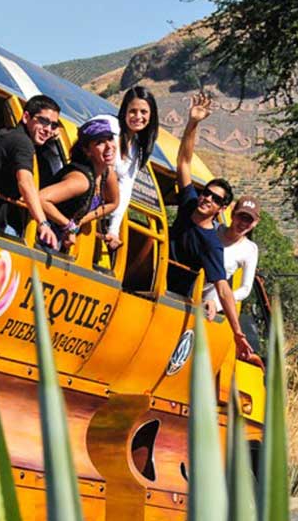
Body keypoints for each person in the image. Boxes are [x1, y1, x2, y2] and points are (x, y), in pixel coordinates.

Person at [167, 94, 255, 360]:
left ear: (221, 209)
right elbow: (184, 162)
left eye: (216, 199)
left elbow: (225, 289)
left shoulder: (211, 242)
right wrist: (193, 123)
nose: (207, 198)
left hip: (171, 296)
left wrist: (237, 332)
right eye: (207, 193)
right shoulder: (188, 204)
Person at [0, 94, 62, 250]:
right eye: (43, 121)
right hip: (3, 225)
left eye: (54, 125)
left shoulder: (5, 134)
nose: (48, 129)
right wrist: (43, 223)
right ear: (26, 117)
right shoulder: (23, 144)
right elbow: (25, 181)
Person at [38, 115, 121, 250]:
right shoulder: (81, 181)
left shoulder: (107, 172)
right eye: (100, 142)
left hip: (59, 240)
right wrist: (69, 226)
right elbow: (41, 199)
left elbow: (114, 202)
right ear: (87, 150)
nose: (109, 146)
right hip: (42, 236)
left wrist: (81, 220)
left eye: (110, 139)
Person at [104, 87, 159, 250]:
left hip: (101, 207)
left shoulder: (136, 149)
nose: (138, 117)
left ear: (151, 116)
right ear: (124, 111)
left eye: (144, 112)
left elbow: (125, 188)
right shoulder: (110, 126)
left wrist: (114, 230)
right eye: (133, 111)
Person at [203, 194, 261, 320]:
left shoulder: (250, 249)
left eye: (249, 220)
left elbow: (245, 289)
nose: (243, 223)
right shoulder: (212, 229)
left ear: (256, 223)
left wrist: (216, 303)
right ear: (232, 214)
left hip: (208, 303)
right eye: (241, 217)